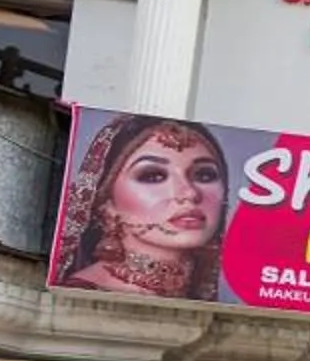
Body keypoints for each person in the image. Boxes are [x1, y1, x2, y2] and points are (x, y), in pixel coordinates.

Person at [52, 116, 234, 300]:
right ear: (105, 201)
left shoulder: (201, 295)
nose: (189, 193)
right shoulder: (80, 297)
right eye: (153, 176)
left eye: (204, 175)